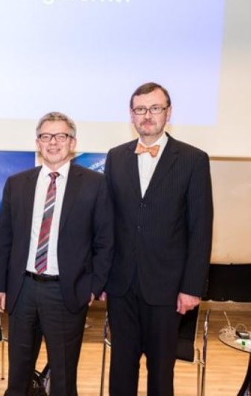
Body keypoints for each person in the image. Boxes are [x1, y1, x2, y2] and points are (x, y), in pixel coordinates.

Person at [0, 112, 114, 396]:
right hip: (22, 290)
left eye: (61, 136)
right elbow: (5, 240)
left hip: (66, 292)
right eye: (46, 136)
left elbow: (105, 241)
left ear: (73, 142)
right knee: (18, 375)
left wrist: (94, 286)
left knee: (63, 377)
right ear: (38, 143)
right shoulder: (17, 183)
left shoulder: (95, 184)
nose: (53, 142)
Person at [102, 82, 213, 396]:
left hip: (167, 288)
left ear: (169, 112)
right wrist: (102, 278)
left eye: (155, 108)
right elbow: (107, 224)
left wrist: (192, 287)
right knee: (121, 368)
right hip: (121, 285)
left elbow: (201, 228)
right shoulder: (115, 157)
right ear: (131, 115)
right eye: (140, 109)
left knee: (161, 372)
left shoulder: (193, 160)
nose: (147, 115)